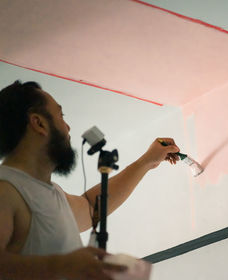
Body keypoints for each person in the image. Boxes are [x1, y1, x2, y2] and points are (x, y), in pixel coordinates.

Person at [0, 80, 180, 280]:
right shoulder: (5, 189)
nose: (67, 127)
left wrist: (145, 162)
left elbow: (91, 207)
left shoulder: (51, 193)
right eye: (61, 115)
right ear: (39, 123)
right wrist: (59, 265)